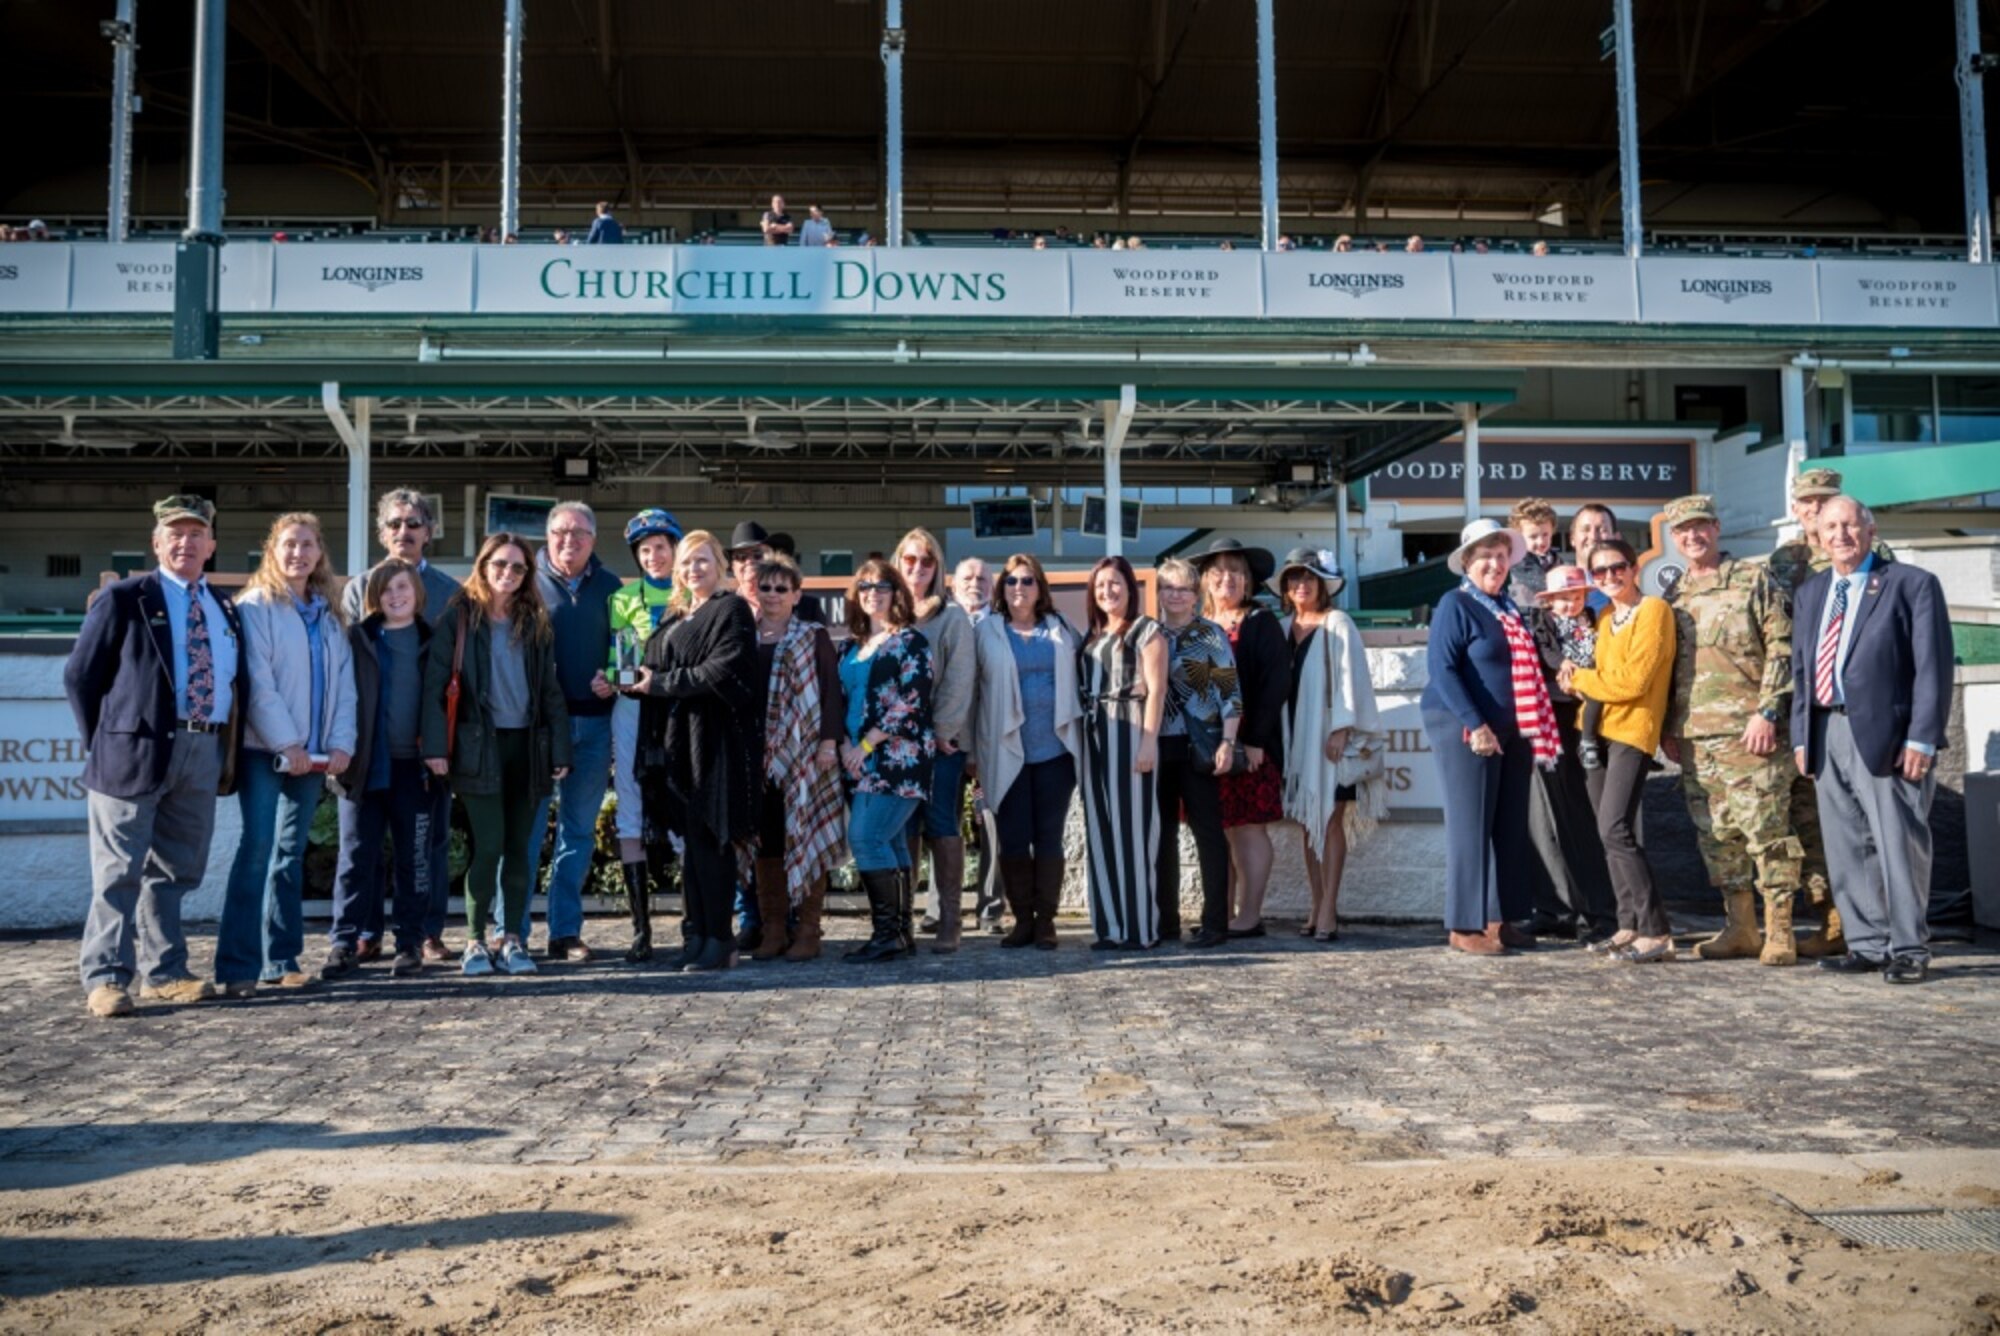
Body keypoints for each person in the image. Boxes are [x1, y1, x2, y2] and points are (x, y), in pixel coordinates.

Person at [66, 495, 246, 1018]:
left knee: (176, 870)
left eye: (196, 534)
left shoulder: (223, 607)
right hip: (131, 751)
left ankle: (165, 972)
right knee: (119, 870)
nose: (185, 542)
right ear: (157, 542)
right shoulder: (125, 598)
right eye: (175, 533)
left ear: (211, 544)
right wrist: (105, 741)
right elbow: (81, 677)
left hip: (201, 747)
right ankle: (105, 977)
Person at [1791, 496, 1953, 985]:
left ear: (1871, 530)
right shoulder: (1812, 591)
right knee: (1847, 845)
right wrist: (1802, 735)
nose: (1840, 534)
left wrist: (1921, 739)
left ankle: (1908, 948)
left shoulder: (1912, 585)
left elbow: (1933, 668)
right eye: (1830, 526)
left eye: (1850, 525)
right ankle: (1867, 944)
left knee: (1898, 846)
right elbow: (1802, 669)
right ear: (1817, 536)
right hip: (1827, 729)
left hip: (1890, 735)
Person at [216, 512, 357, 997]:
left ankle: (282, 959)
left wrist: (341, 744)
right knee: (256, 852)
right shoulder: (256, 607)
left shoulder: (329, 613)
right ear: (273, 550)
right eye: (289, 544)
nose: (298, 553)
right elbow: (258, 684)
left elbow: (345, 690)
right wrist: (287, 744)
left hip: (314, 758)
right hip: (266, 753)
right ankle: (237, 967)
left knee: (290, 856)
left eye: (307, 545)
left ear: (320, 553)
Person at [1662, 494, 1806, 966]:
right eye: (1683, 530)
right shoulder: (1674, 595)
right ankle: (1741, 927)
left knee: (1767, 831)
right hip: (1696, 738)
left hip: (1752, 733)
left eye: (1701, 526)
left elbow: (1782, 645)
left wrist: (1768, 712)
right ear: (1674, 538)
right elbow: (1666, 668)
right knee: (1718, 837)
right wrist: (1668, 728)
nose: (1693, 536)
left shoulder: (1752, 579)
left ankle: (1779, 928)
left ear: (1717, 528)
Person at [422, 532, 573, 978]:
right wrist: (435, 749)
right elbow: (435, 688)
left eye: (518, 567)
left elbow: (550, 690)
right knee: (487, 847)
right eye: (499, 564)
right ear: (484, 565)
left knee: (519, 849)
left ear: (528, 574)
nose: (507, 573)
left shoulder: (535, 621)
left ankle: (511, 939)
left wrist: (559, 747)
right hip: (476, 747)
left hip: (528, 746)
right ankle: (473, 941)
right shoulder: (460, 618)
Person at [1765, 464, 1887, 957]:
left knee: (1864, 824)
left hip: (1859, 710)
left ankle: (1864, 925)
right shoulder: (1784, 560)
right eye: (1808, 502)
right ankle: (1831, 917)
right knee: (1807, 818)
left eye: (1826, 500)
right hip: (1803, 706)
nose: (1817, 510)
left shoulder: (1870, 555)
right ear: (1795, 509)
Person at [1421, 519, 1557, 956]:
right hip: (1466, 726)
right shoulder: (1455, 604)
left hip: (1512, 729)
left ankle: (1502, 918)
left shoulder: (1508, 607)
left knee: (1510, 824)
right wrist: (1475, 724)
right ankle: (1464, 925)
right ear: (1467, 562)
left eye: (1501, 556)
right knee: (1471, 826)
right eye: (1486, 557)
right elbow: (1442, 668)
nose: (1495, 564)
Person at [339, 488, 460, 965]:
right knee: (363, 848)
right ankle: (366, 932)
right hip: (370, 744)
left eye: (413, 523)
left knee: (429, 842)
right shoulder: (357, 589)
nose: (403, 532)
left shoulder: (451, 593)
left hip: (426, 746)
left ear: (428, 532)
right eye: (394, 524)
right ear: (381, 532)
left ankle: (426, 932)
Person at [633, 529, 760, 973]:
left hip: (716, 743)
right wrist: (631, 682)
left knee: (713, 842)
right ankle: (700, 934)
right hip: (678, 744)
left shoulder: (731, 608)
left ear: (719, 565)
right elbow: (655, 669)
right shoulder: (678, 616)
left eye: (702, 560)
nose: (693, 569)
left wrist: (662, 683)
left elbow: (723, 669)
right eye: (686, 562)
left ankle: (721, 940)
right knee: (694, 847)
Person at [1562, 537, 1678, 963]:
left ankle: (1657, 931)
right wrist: (1577, 675)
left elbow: (1632, 683)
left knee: (1616, 829)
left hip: (1632, 732)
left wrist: (1582, 682)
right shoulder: (1607, 616)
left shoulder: (1654, 611)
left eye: (1617, 568)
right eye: (1600, 572)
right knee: (1608, 832)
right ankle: (1628, 924)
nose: (1610, 576)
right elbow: (1600, 674)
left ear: (1633, 569)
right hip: (1595, 732)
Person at [323, 560, 437, 979]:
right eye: (385, 589)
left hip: (417, 769)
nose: (395, 596)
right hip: (363, 765)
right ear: (374, 596)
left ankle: (409, 942)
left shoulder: (433, 640)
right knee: (356, 857)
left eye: (402, 587)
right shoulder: (357, 638)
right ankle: (344, 941)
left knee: (414, 859)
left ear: (416, 592)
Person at [522, 501, 621, 961]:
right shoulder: (525, 582)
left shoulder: (611, 586)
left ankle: (564, 932)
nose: (569, 540)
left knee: (577, 833)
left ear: (593, 540)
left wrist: (614, 678)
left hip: (595, 725)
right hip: (537, 728)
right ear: (548, 536)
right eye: (561, 531)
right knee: (526, 830)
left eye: (580, 533)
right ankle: (513, 932)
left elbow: (625, 649)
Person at [973, 555, 1084, 950]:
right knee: (1013, 839)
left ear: (1040, 588)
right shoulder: (985, 631)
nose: (1018, 588)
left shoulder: (1062, 629)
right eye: (1011, 581)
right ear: (1001, 589)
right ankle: (1022, 919)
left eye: (1027, 580)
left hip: (1056, 751)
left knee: (1049, 838)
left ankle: (1046, 921)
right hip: (1006, 751)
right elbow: (972, 691)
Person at [1276, 547, 1385, 945]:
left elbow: (1351, 676)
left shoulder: (1337, 622)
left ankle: (1329, 908)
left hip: (1330, 736)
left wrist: (1342, 728)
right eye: (1293, 578)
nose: (1300, 585)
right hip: (1296, 736)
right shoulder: (1285, 626)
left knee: (1330, 819)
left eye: (1308, 578)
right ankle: (1316, 901)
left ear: (1323, 584)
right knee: (1309, 820)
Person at [743, 554, 848, 961]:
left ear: (796, 594)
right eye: (765, 587)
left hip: (805, 755)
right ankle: (773, 930)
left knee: (806, 834)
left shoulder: (812, 635)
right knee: (766, 842)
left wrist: (828, 742)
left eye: (781, 589)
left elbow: (829, 692)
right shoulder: (742, 636)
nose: (772, 595)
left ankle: (808, 930)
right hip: (757, 757)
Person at [836, 559, 936, 963]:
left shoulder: (911, 642)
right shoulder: (851, 646)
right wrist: (846, 744)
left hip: (898, 757)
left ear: (896, 593)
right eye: (864, 586)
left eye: (881, 586)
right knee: (891, 841)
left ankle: (885, 935)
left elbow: (912, 701)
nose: (872, 593)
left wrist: (866, 745)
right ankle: (899, 935)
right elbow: (840, 699)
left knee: (865, 837)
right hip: (858, 757)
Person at [1192, 537, 1287, 938]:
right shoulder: (1198, 627)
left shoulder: (1260, 622)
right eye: (1219, 571)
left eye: (1236, 571)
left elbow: (1274, 684)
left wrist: (1256, 740)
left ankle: (1249, 915)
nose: (1227, 578)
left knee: (1249, 828)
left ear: (1247, 581)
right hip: (1207, 749)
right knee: (1222, 829)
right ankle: (1221, 912)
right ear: (1207, 581)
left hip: (1249, 744)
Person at [1521, 565, 1620, 946]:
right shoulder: (1541, 626)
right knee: (1553, 818)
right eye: (1563, 597)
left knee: (1589, 820)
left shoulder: (1596, 620)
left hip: (1589, 719)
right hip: (1552, 724)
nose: (1570, 603)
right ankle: (1560, 908)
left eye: (1576, 596)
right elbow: (1546, 656)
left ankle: (1605, 911)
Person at [1151, 557, 1240, 950]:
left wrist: (1228, 742)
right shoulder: (1147, 633)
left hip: (1198, 743)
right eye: (1167, 587)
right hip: (1155, 744)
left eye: (1183, 588)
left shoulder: (1209, 635)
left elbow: (1229, 693)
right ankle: (1164, 921)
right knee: (1161, 835)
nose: (1175, 595)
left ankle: (1215, 923)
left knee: (1207, 834)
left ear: (1195, 595)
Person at [895, 527, 977, 951]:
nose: (918, 568)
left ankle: (950, 920)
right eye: (910, 560)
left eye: (926, 561)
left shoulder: (952, 617)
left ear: (938, 567)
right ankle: (901, 921)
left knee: (941, 823)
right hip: (893, 745)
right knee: (903, 827)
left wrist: (941, 732)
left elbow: (961, 678)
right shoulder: (887, 613)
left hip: (940, 746)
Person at [1079, 556, 1166, 949]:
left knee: (1133, 833)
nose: (1107, 592)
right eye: (1100, 586)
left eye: (1114, 584)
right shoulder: (1092, 637)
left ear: (1130, 587)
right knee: (1100, 831)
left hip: (1131, 733)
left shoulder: (1147, 631)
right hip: (1094, 737)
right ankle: (1109, 928)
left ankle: (1138, 929)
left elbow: (1157, 689)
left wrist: (1149, 741)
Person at [607, 508, 681, 962]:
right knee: (631, 807)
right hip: (633, 708)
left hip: (679, 711)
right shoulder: (623, 597)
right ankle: (641, 931)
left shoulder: (692, 593)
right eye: (645, 549)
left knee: (684, 808)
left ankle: (697, 922)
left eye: (661, 547)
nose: (654, 556)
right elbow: (623, 662)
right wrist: (617, 676)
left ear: (676, 548)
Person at [1506, 497, 1563, 605]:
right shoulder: (1519, 560)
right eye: (1533, 536)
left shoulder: (1556, 560)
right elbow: (1540, 583)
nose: (1541, 541)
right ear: (1519, 536)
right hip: (1527, 616)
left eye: (1545, 535)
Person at [953, 557, 993, 624]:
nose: (975, 584)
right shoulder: (943, 621)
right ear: (954, 586)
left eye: (981, 579)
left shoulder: (1003, 623)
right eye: (967, 579)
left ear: (991, 585)